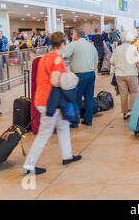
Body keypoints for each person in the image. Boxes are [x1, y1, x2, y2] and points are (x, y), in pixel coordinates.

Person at [22, 32, 82, 176]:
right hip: (50, 101)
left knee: (63, 126)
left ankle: (67, 156)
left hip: (46, 99)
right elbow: (55, 81)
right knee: (44, 134)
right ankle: (28, 166)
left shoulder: (45, 57)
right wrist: (69, 78)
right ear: (63, 44)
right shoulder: (56, 58)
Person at [63, 29, 98, 127]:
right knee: (89, 98)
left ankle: (74, 123)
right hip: (91, 74)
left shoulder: (73, 44)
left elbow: (62, 54)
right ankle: (88, 120)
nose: (71, 35)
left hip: (79, 75)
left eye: (72, 34)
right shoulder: (91, 45)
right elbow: (96, 61)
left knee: (76, 98)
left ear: (76, 35)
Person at [110, 31, 139, 120]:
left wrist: (119, 65)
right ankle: (131, 110)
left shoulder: (117, 48)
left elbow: (111, 61)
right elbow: (137, 63)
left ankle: (124, 113)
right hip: (131, 73)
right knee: (134, 92)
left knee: (123, 94)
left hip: (119, 75)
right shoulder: (133, 48)